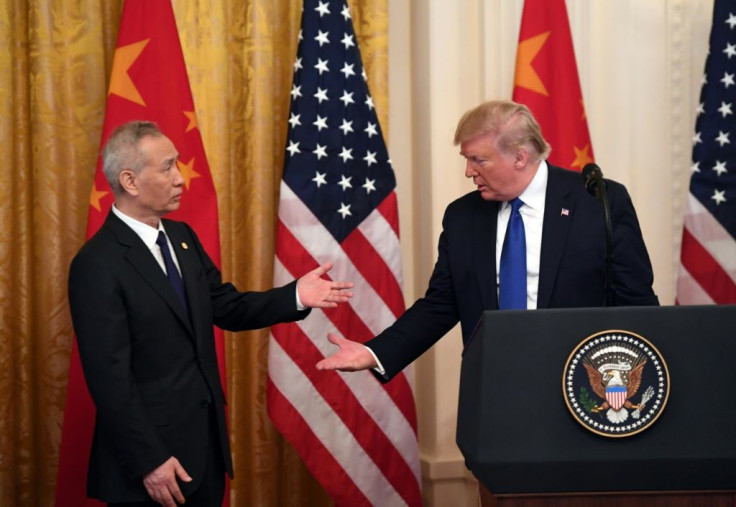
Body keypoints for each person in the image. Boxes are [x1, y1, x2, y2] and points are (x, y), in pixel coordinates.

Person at [68, 120, 353, 507]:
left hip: (205, 451)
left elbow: (226, 307)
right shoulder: (97, 264)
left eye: (178, 164)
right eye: (167, 167)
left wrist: (295, 296)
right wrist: (149, 460)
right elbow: (109, 379)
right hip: (149, 465)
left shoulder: (182, 238)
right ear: (130, 181)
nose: (180, 178)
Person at [316, 99, 658, 385]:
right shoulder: (463, 217)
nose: (468, 171)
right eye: (466, 159)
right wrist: (375, 352)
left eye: (478, 159)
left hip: (587, 385)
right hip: (496, 388)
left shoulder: (597, 201)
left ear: (520, 157)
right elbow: (441, 304)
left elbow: (635, 300)